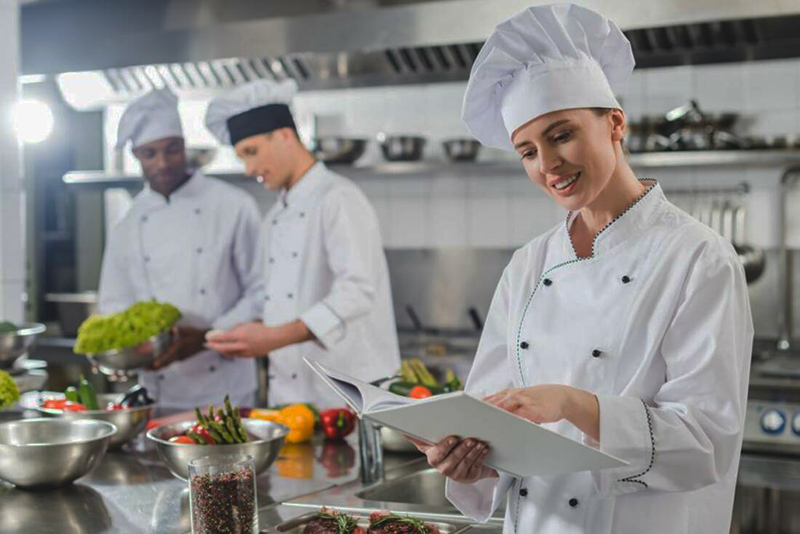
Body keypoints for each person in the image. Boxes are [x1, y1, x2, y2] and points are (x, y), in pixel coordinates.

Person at [407, 5, 753, 533]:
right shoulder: (528, 265)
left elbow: (706, 443)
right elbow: (492, 417)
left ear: (615, 123)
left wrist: (572, 403)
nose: (548, 165)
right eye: (527, 152)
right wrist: (467, 456)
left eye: (561, 135)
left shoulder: (699, 259)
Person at [203, 79, 400, 408]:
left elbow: (357, 290)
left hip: (347, 397)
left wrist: (273, 338)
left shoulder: (339, 198)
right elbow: (271, 299)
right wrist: (218, 334)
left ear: (285, 135)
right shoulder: (273, 219)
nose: (249, 169)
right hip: (290, 398)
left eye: (251, 152)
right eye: (241, 158)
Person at [98, 87, 264, 409]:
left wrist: (208, 336)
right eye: (150, 154)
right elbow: (114, 303)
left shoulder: (233, 205)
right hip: (158, 389)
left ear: (184, 146)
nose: (163, 163)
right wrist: (118, 351)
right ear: (136, 156)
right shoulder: (127, 224)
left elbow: (261, 291)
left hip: (225, 385)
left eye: (172, 150)